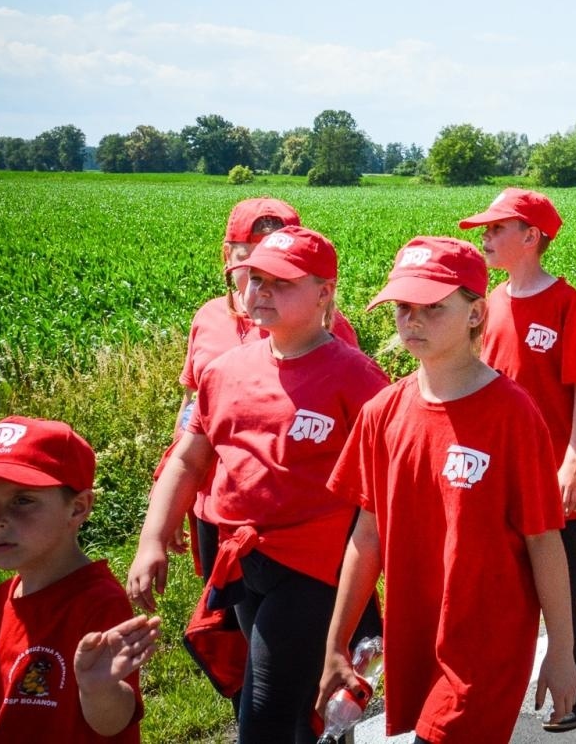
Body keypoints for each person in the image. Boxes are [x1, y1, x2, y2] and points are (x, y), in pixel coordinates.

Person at [129, 226, 387, 743]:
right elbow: (188, 457)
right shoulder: (224, 372)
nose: (262, 290)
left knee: (263, 706)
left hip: (313, 568)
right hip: (244, 561)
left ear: (324, 294)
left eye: (282, 282)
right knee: (292, 705)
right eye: (255, 278)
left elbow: (386, 485)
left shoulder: (357, 378)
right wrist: (151, 540)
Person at [318, 236, 576, 743]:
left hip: (488, 643)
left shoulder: (512, 415)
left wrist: (563, 651)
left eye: (433, 309)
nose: (412, 321)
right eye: (403, 308)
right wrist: (336, 642)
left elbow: (544, 540)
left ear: (476, 313)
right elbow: (366, 535)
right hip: (415, 633)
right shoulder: (382, 414)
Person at [460, 188, 576, 730]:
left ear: (531, 237)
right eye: (485, 229)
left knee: (561, 584)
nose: (486, 238)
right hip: (500, 473)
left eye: (497, 229)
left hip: (556, 472)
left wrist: (572, 462)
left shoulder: (566, 302)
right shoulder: (488, 303)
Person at [174, 198, 359, 584]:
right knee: (228, 627)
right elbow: (191, 407)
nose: (264, 279)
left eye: (281, 266)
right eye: (252, 261)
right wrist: (174, 499)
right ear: (229, 256)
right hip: (216, 503)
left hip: (294, 522)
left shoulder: (330, 333)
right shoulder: (208, 319)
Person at [0, 416, 158, 743]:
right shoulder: (0, 600)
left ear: (78, 508)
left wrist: (99, 689)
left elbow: (114, 722)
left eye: (22, 500)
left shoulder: (97, 601)